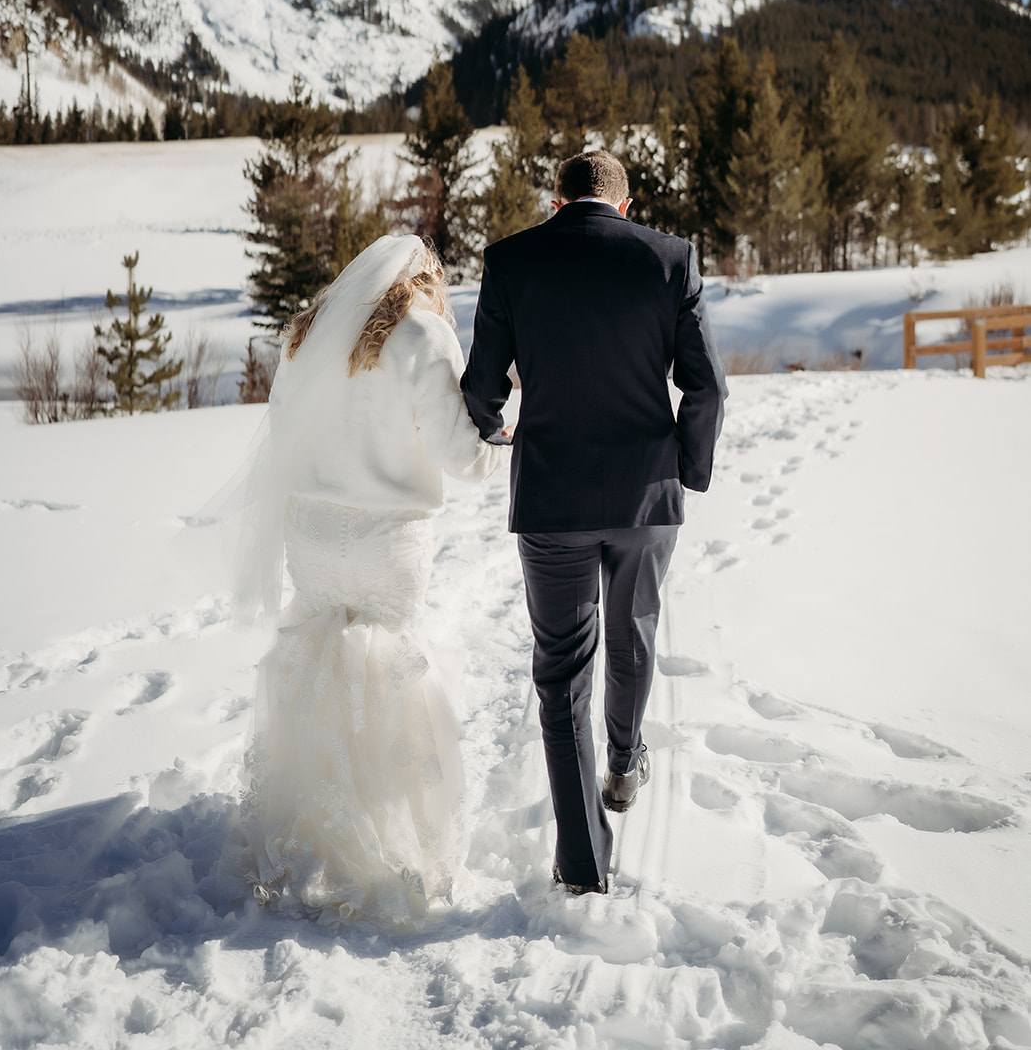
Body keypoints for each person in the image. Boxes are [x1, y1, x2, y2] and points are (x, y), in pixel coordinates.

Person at [461, 150, 727, 896]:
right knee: (633, 630)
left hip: (551, 499)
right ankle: (623, 757)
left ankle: (581, 864)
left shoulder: (510, 260)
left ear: (556, 197)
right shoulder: (670, 259)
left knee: (559, 677)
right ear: (624, 198)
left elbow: (481, 385)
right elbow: (707, 385)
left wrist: (493, 428)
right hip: (646, 495)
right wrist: (687, 469)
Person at [219, 235, 504, 926]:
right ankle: (392, 830)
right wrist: (495, 452)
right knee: (389, 673)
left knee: (317, 664)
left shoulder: (305, 337)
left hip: (311, 533)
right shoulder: (422, 337)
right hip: (389, 538)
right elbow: (456, 455)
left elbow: (281, 432)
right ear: (423, 281)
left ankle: (312, 827)